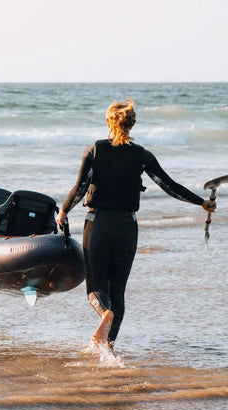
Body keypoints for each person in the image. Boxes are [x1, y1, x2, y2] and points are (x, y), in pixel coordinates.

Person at [56, 98, 215, 351]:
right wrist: (201, 203)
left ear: (109, 122)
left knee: (95, 290)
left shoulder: (94, 150)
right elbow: (169, 186)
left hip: (98, 223)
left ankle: (104, 315)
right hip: (127, 227)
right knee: (117, 290)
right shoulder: (142, 155)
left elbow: (81, 188)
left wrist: (63, 211)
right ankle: (108, 349)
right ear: (132, 125)